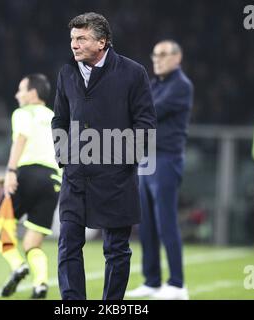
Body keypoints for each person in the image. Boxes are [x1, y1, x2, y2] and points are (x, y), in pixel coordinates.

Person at [51, 12, 156, 300]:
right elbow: (59, 120)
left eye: (81, 38)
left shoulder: (133, 73)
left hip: (116, 176)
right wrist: (65, 157)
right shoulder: (66, 73)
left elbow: (145, 123)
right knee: (68, 242)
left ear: (102, 42)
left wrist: (124, 161)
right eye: (73, 38)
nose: (74, 44)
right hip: (76, 175)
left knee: (116, 249)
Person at [126, 40, 194, 300]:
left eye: (163, 54)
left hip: (166, 159)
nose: (157, 59)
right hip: (148, 159)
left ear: (178, 57)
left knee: (166, 222)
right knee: (147, 225)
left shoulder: (181, 86)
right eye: (155, 54)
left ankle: (177, 284)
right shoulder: (156, 84)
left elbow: (149, 111)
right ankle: (152, 280)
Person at [0, 74, 61, 299]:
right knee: (33, 243)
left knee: (0, 230)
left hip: (26, 174)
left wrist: (11, 172)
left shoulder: (23, 113)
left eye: (21, 89)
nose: (17, 94)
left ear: (32, 93)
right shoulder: (57, 117)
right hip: (52, 181)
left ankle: (17, 265)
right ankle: (40, 284)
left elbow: (22, 138)